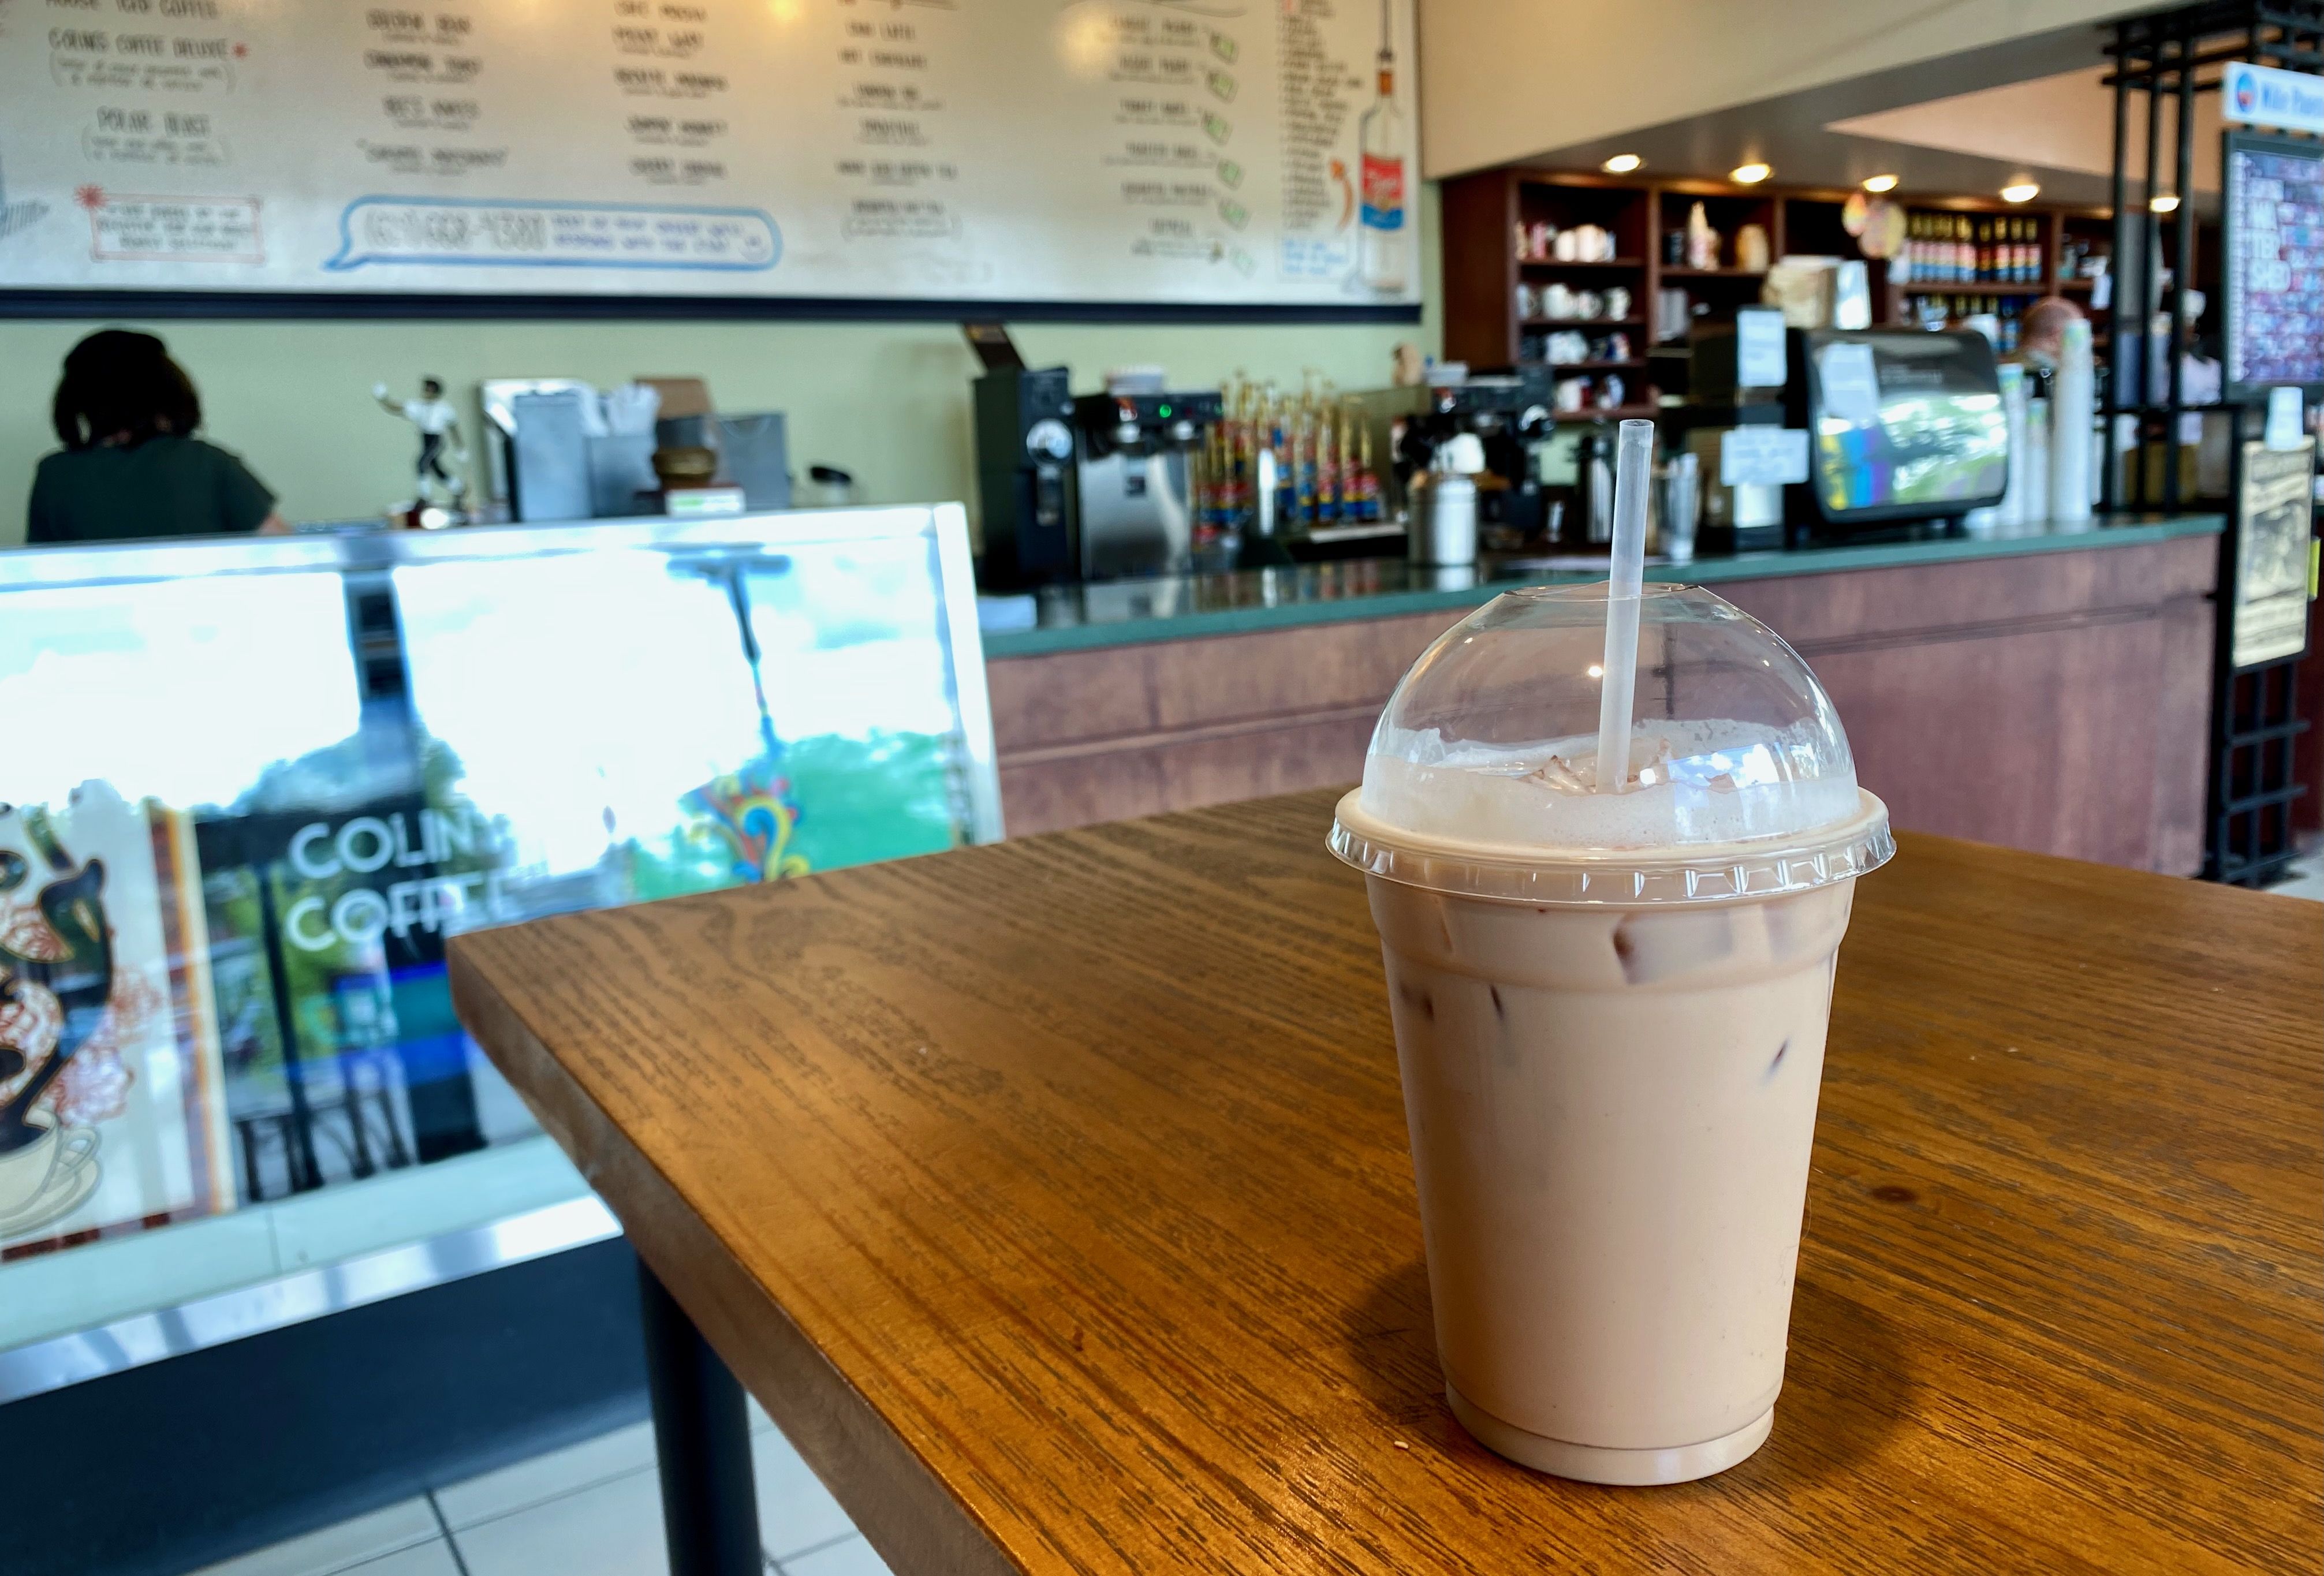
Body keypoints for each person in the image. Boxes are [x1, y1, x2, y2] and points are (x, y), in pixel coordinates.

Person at [25, 330, 289, 544]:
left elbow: (39, 570)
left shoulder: (54, 475)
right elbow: (285, 550)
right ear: (169, 392)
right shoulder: (208, 463)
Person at [372, 376, 468, 504]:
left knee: (422, 463)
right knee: (435, 468)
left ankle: (424, 496)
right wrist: (383, 398)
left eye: (430, 390)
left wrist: (460, 448)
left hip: (436, 440)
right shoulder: (418, 406)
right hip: (425, 439)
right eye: (426, 389)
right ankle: (458, 488)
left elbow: (453, 428)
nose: (426, 392)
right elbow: (396, 408)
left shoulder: (444, 408)